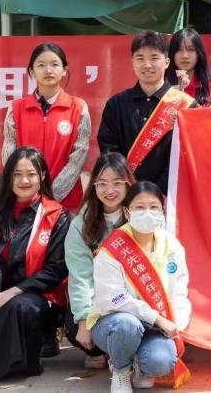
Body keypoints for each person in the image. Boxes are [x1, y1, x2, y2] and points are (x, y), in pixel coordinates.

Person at [0, 147, 69, 383]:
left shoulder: (56, 216)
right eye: (17, 174)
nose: (24, 181)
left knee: (18, 307)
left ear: (42, 176)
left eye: (31, 174)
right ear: (8, 177)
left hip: (37, 297)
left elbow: (56, 269)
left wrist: (14, 291)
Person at [91, 181, 190, 393]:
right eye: (139, 207)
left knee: (161, 361)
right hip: (114, 324)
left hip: (156, 327)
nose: (147, 213)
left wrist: (177, 323)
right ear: (127, 212)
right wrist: (157, 318)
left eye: (154, 207)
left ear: (162, 211)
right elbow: (114, 299)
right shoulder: (112, 249)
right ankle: (120, 370)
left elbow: (180, 289)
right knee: (127, 324)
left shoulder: (171, 245)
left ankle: (142, 368)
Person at [98, 31, 196, 192]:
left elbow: (188, 155)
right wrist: (132, 189)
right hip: (127, 194)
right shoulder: (116, 105)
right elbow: (109, 152)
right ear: (132, 62)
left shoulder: (187, 106)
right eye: (140, 58)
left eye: (154, 58)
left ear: (166, 62)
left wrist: (158, 191)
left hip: (171, 196)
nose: (147, 65)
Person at [64, 153, 136, 370]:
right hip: (99, 301)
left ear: (128, 183)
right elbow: (80, 276)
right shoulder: (80, 225)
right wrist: (83, 320)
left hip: (135, 300)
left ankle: (127, 350)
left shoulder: (141, 218)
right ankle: (104, 349)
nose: (109, 190)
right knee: (75, 328)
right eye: (102, 184)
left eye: (117, 183)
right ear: (93, 186)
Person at [2, 42, 90, 213]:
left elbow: (79, 157)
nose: (48, 70)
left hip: (66, 202)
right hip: (24, 199)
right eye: (41, 65)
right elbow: (9, 155)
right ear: (32, 71)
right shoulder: (16, 108)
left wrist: (51, 197)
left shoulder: (78, 108)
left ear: (64, 70)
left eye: (55, 64)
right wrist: (28, 192)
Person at [165, 27, 211, 106]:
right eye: (179, 50)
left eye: (191, 49)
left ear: (199, 53)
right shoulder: (162, 85)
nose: (185, 56)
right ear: (172, 53)